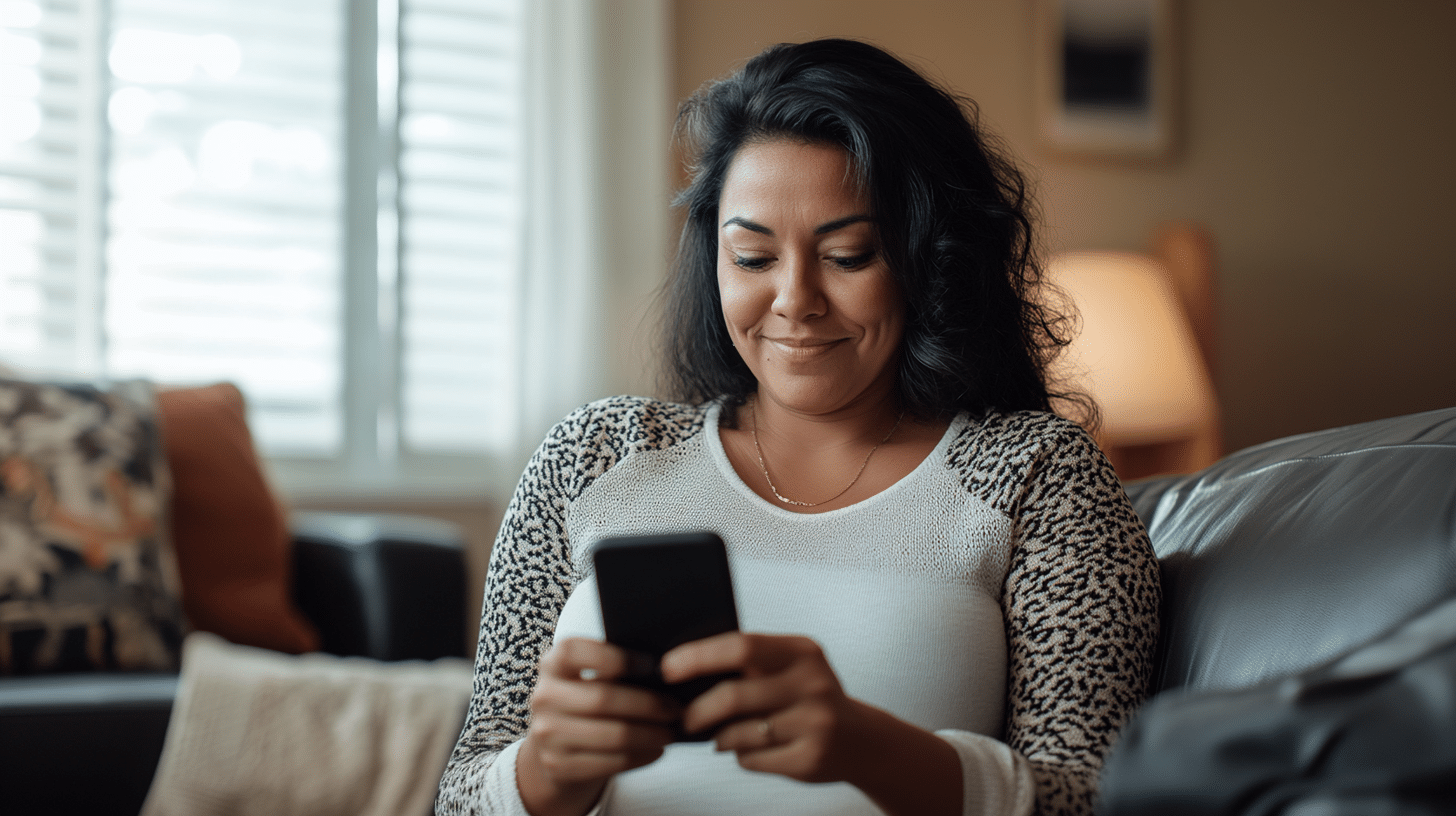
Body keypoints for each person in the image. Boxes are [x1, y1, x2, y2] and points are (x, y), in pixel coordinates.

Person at [436, 38, 1160, 816]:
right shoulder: (595, 458)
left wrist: (865, 747)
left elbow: (1099, 800)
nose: (794, 299)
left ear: (931, 259)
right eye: (752, 257)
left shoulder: (1035, 477)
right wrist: (547, 772)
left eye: (848, 255)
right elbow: (462, 793)